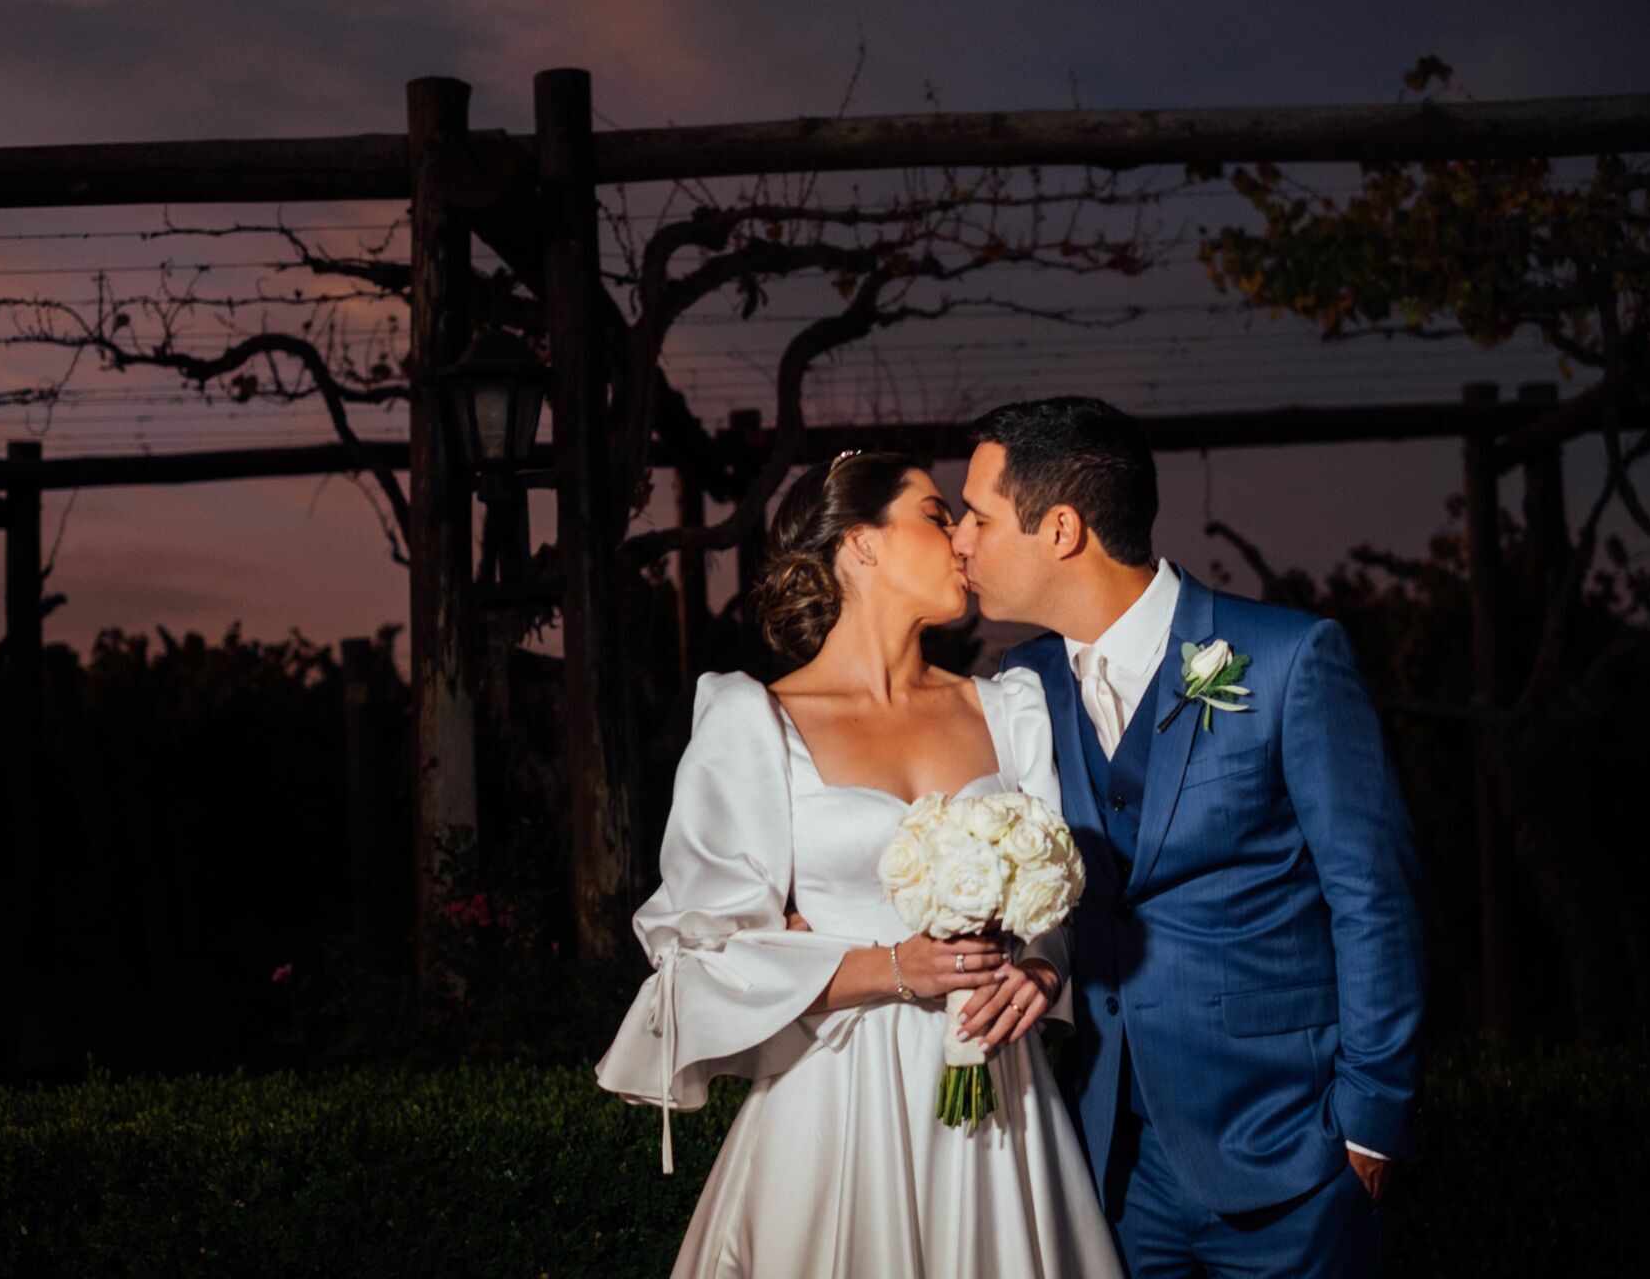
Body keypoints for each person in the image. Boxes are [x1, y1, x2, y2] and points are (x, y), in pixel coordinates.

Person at [595, 451, 1123, 1278]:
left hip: (1000, 1100)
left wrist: (1042, 966)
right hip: (837, 1103)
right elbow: (699, 958)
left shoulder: (1008, 708)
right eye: (936, 516)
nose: (962, 540)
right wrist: (889, 967)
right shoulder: (756, 722)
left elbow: (1057, 898)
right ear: (861, 544)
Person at [950, 397, 1427, 1278]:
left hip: (1291, 1152)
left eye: (978, 517)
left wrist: (1369, 1120)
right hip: (1106, 1161)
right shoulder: (1023, 684)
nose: (959, 542)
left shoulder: (1286, 658)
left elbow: (1375, 897)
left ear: (1061, 529)